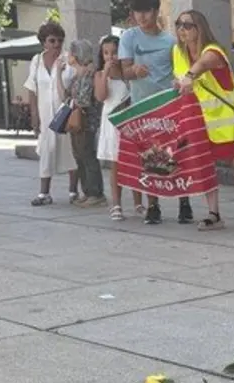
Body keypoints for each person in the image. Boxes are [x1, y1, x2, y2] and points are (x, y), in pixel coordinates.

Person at [173, 9, 234, 230]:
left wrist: (190, 77)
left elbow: (204, 64)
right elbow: (181, 80)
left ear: (199, 28)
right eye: (178, 24)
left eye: (187, 25)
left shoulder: (213, 50)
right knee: (206, 164)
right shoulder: (177, 52)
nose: (181, 29)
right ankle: (214, 213)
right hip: (199, 117)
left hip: (224, 118)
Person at [120, 0, 193, 225]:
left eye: (146, 11)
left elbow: (179, 70)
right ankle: (153, 206)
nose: (141, 16)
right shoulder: (129, 37)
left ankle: (184, 202)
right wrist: (134, 70)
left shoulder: (171, 41)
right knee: (149, 157)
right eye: (137, 11)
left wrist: (177, 82)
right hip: (142, 107)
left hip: (168, 106)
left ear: (155, 11)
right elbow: (124, 70)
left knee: (177, 154)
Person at [24, 21, 76, 206]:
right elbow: (32, 89)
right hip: (45, 115)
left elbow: (72, 85)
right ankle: (44, 193)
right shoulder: (36, 61)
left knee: (69, 151)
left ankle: (73, 191)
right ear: (44, 42)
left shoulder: (67, 60)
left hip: (64, 113)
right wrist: (34, 117)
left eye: (59, 41)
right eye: (52, 40)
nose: (56, 45)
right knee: (46, 151)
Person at [96, 34, 138, 220]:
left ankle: (138, 203)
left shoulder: (127, 73)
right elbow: (101, 96)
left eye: (114, 52)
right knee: (116, 164)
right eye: (106, 53)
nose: (110, 57)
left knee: (136, 162)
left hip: (129, 120)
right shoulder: (99, 74)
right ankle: (117, 205)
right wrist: (105, 73)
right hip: (112, 121)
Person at [65, 39, 105, 209]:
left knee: (88, 156)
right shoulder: (76, 75)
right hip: (77, 121)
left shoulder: (89, 74)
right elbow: (66, 94)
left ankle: (95, 193)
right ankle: (87, 191)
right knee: (79, 156)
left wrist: (73, 102)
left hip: (87, 121)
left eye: (70, 52)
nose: (67, 55)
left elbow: (84, 99)